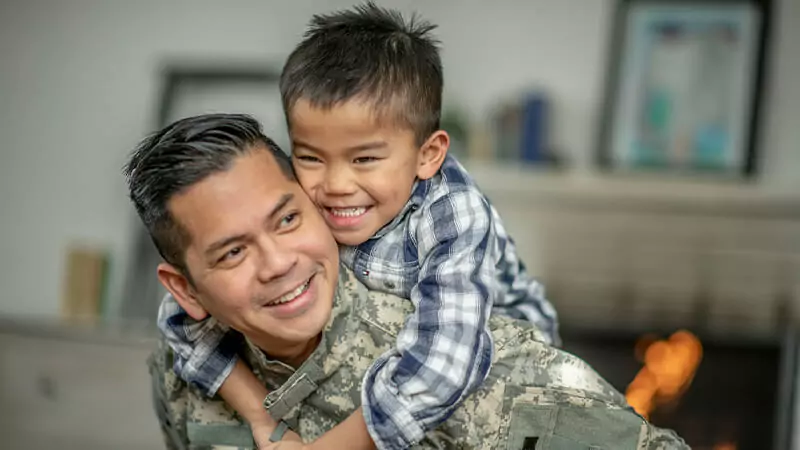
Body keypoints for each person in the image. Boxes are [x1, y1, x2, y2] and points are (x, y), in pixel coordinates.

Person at [125, 113, 689, 449]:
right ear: (186, 291)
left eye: (288, 219)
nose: (277, 263)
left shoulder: (485, 368)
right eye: (232, 253)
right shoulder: (181, 378)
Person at [156, 3, 560, 449]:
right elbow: (181, 319)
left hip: (497, 350)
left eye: (364, 159)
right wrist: (262, 416)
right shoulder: (303, 199)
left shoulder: (453, 214)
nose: (334, 185)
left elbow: (444, 363)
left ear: (427, 154)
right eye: (310, 156)